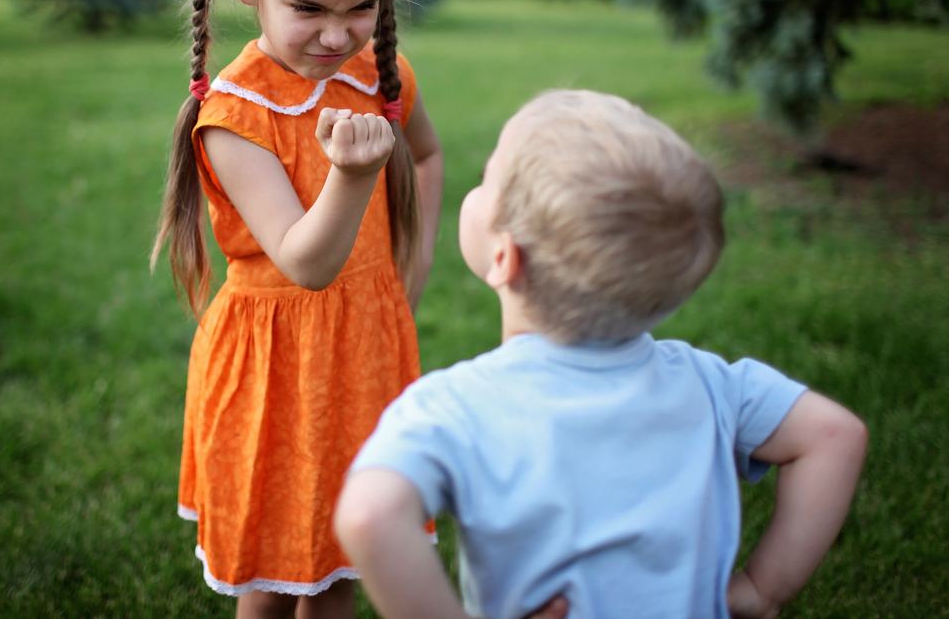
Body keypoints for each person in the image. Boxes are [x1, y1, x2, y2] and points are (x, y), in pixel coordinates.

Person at [335, 90, 869, 619]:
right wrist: (762, 588)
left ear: (505, 257)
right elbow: (834, 435)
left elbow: (369, 515)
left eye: (488, 178)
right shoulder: (713, 386)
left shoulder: (456, 408)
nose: (475, 188)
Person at [150, 0, 445, 619]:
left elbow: (429, 153)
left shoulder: (381, 73)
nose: (338, 36)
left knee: (343, 563)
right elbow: (305, 262)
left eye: (362, 7)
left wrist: (409, 271)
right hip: (276, 366)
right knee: (275, 582)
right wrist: (351, 179)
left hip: (366, 352)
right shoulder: (235, 117)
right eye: (309, 8)